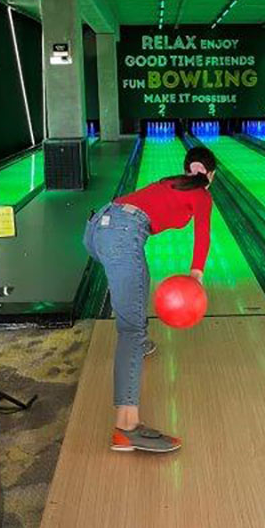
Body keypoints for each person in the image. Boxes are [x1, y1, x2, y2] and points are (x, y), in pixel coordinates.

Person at [84, 145, 217, 454]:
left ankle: (141, 344)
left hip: (97, 228)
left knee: (139, 283)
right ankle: (127, 428)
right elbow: (203, 234)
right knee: (130, 329)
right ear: (211, 175)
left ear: (187, 168)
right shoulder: (202, 194)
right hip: (121, 235)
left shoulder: (170, 181)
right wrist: (196, 276)